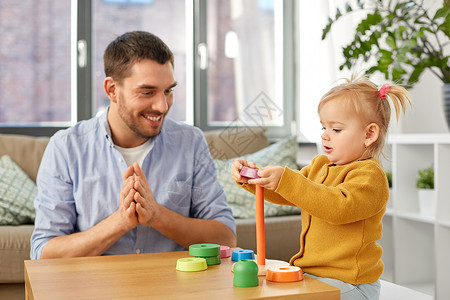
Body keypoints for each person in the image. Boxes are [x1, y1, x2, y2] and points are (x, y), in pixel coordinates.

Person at [30, 31, 236, 259]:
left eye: (168, 91)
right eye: (147, 92)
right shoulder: (66, 148)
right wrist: (119, 222)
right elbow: (44, 253)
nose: (162, 106)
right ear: (111, 90)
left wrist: (157, 216)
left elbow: (225, 237)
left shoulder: (191, 142)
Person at [231, 75, 411, 299]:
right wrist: (254, 179)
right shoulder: (320, 165)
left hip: (352, 284)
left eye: (336, 129)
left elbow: (339, 207)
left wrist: (287, 180)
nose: (325, 135)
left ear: (369, 134)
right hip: (314, 276)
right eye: (323, 127)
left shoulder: (370, 177)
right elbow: (291, 194)